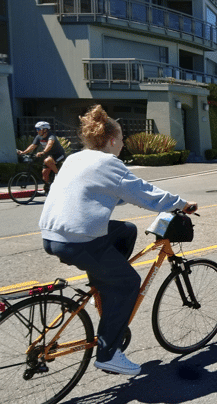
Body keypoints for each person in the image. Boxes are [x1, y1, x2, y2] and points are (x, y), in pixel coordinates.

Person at [39, 105, 199, 375]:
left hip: (53, 235)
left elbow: (118, 193)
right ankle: (108, 354)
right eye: (122, 139)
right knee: (129, 284)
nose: (123, 143)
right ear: (112, 140)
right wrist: (181, 204)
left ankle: (103, 288)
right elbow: (144, 193)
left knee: (125, 230)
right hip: (80, 240)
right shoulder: (109, 163)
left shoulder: (77, 158)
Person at [17, 121, 66, 192]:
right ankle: (47, 189)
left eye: (39, 129)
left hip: (58, 155)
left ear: (45, 130)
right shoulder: (38, 137)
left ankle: (59, 176)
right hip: (49, 155)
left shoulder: (51, 136)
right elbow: (33, 146)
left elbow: (49, 144)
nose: (37, 131)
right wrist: (24, 152)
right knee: (44, 174)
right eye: (36, 129)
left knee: (47, 161)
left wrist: (43, 152)